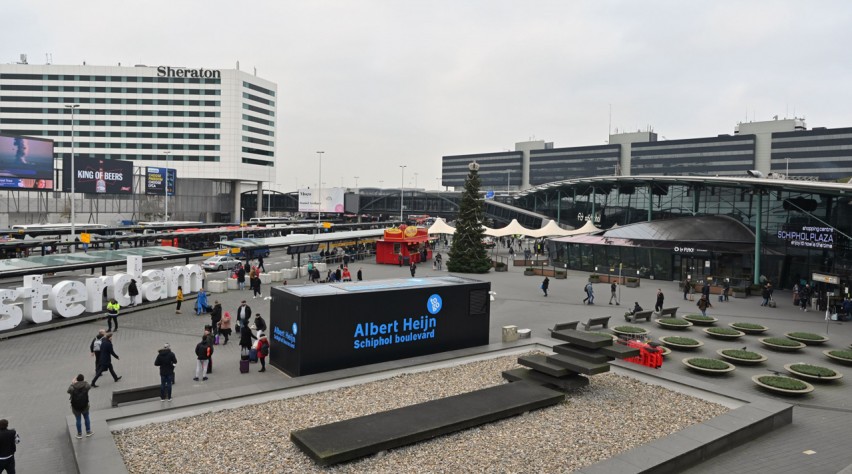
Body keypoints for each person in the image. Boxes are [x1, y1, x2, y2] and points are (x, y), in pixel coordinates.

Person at [67, 374, 93, 439]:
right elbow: (90, 386)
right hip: (85, 405)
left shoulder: (72, 387)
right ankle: (88, 431)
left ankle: (79, 434)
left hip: (75, 407)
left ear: (77, 380)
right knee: (86, 417)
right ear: (83, 379)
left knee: (78, 419)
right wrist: (84, 381)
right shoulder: (86, 385)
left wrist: (72, 383)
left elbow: (68, 391)